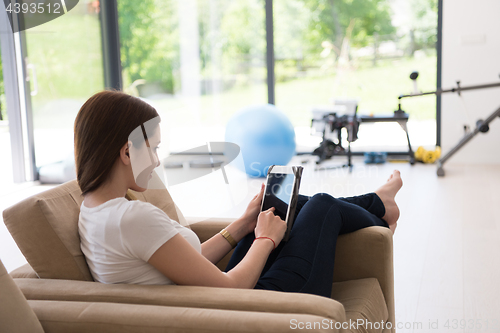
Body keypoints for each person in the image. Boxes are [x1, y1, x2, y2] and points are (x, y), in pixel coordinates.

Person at [76, 90, 402, 298]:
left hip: (226, 297)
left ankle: (379, 206)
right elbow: (231, 288)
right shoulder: (132, 218)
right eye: (153, 148)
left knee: (286, 206)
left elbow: (184, 264)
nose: (158, 160)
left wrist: (244, 226)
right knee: (321, 205)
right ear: (126, 152)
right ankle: (380, 209)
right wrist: (265, 240)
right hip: (256, 305)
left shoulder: (95, 210)